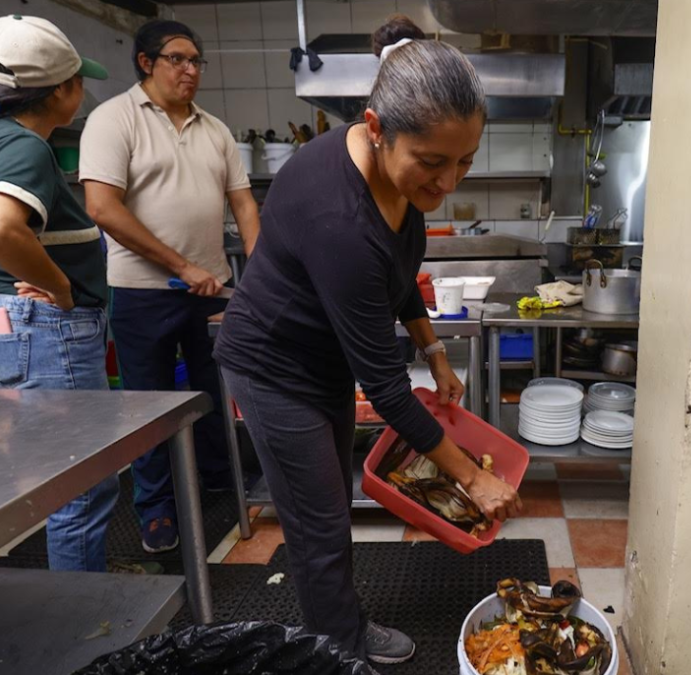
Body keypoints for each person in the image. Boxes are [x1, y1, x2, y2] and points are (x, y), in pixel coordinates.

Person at [213, 15, 523, 666]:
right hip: (274, 366)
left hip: (320, 359)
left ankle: (342, 624)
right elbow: (385, 387)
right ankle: (337, 651)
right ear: (376, 128)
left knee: (328, 515)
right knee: (318, 522)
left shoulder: (393, 177)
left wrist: (432, 347)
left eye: (464, 161)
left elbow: (400, 271)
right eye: (433, 164)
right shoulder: (339, 217)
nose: (448, 184)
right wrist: (472, 478)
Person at [0, 15, 119, 572]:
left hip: (23, 326)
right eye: (78, 82)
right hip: (52, 329)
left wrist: (14, 271)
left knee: (65, 476)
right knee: (81, 485)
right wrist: (59, 287)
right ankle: (87, 624)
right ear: (61, 90)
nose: (81, 91)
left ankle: (80, 595)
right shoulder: (24, 147)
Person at [79, 20, 261, 554]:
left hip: (212, 289)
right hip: (142, 292)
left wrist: (265, 269)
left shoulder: (215, 129)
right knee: (148, 404)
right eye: (178, 59)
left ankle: (218, 479)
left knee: (212, 393)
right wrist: (182, 267)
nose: (190, 71)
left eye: (196, 61)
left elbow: (244, 203)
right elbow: (102, 208)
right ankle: (156, 507)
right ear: (146, 62)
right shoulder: (114, 120)